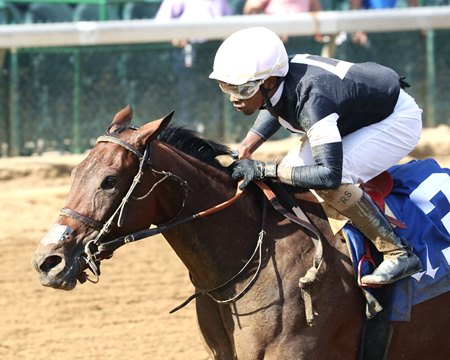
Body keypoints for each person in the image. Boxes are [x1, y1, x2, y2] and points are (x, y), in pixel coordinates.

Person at [209, 27, 423, 286]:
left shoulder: (311, 98)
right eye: (225, 87)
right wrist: (247, 146)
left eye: (242, 90)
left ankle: (398, 252)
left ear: (268, 82)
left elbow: (329, 175)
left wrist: (264, 169)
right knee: (291, 169)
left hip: (395, 120)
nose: (233, 98)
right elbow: (275, 105)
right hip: (355, 110)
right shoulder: (277, 80)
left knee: (328, 179)